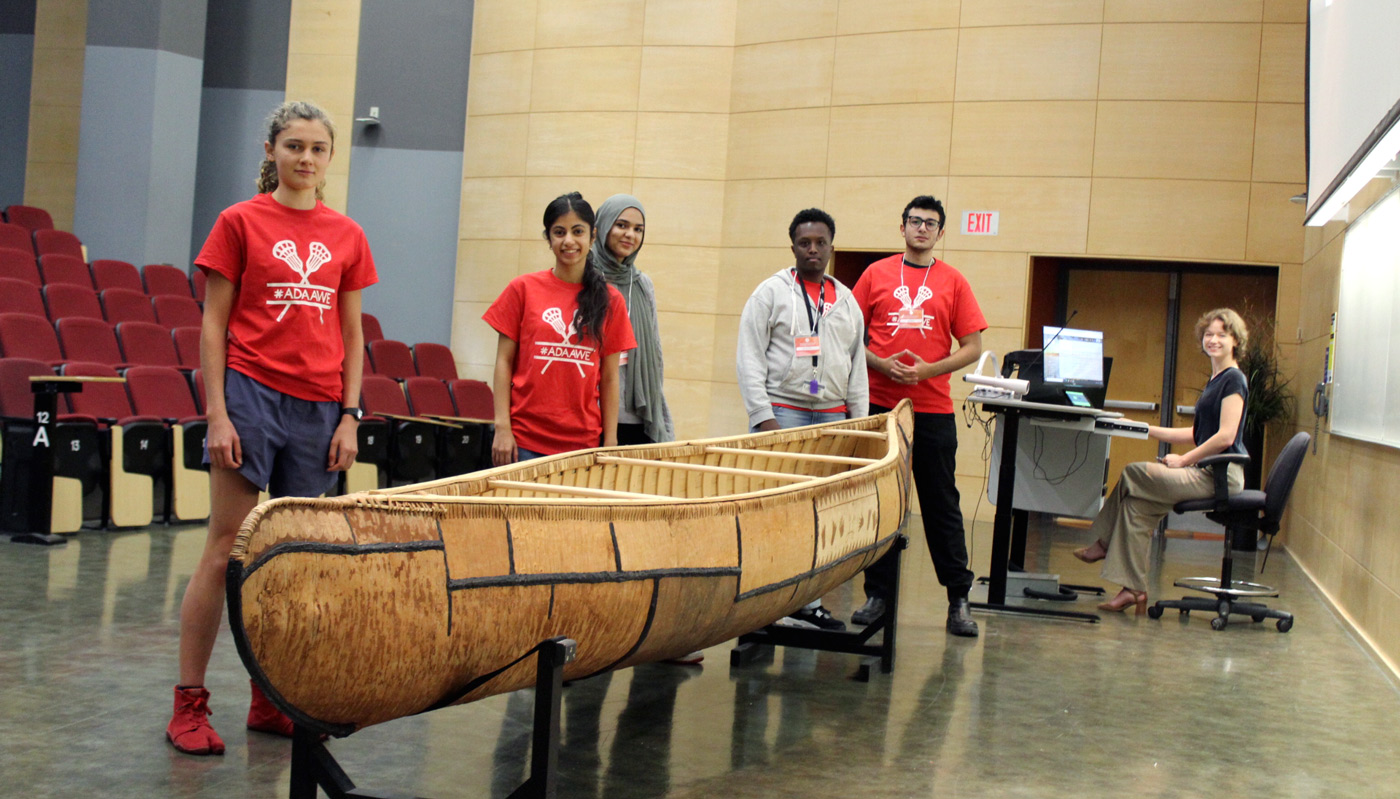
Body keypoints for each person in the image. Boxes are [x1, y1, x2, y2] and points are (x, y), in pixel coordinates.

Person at [168, 101, 378, 755]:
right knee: (224, 543)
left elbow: (351, 332)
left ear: (330, 157)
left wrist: (350, 414)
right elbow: (213, 324)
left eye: (317, 148)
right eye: (294, 145)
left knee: (286, 561)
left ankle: (270, 695)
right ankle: (189, 704)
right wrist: (219, 411)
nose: (305, 158)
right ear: (271, 150)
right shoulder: (239, 222)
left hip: (319, 407)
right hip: (251, 395)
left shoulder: (347, 233)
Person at [851, 196, 985, 637]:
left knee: (942, 505)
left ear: (941, 233)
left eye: (931, 224)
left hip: (932, 410)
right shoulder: (876, 274)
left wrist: (928, 369)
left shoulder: (953, 280)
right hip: (881, 409)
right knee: (885, 504)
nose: (922, 229)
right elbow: (849, 335)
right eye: (915, 221)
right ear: (902, 226)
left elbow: (972, 347)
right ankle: (878, 595)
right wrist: (879, 363)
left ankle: (958, 599)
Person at [736, 208, 868, 632]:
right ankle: (762, 606)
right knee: (776, 513)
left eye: (821, 243)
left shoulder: (846, 300)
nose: (813, 250)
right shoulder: (770, 293)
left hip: (830, 419)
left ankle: (808, 605)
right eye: (804, 243)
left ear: (832, 246)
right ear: (792, 245)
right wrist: (763, 418)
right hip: (784, 412)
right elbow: (749, 358)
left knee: (820, 516)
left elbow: (857, 367)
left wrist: (858, 425)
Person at [1072, 309, 1250, 613]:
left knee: (1132, 473)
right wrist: (1141, 427)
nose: (1214, 340)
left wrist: (1184, 462)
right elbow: (1196, 433)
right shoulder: (1216, 378)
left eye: (1222, 334)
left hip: (1220, 476)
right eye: (1209, 334)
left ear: (1235, 340)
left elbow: (1224, 437)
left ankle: (1102, 543)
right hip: (1206, 471)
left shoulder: (1234, 379)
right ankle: (1134, 590)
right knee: (1135, 508)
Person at [485, 192, 636, 465]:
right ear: (548, 238)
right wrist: (502, 428)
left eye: (577, 231)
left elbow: (611, 377)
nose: (568, 241)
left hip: (582, 446)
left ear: (592, 237)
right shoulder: (522, 289)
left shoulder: (611, 301)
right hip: (523, 442)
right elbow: (503, 361)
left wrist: (611, 441)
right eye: (559, 232)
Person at [590, 194, 674, 446]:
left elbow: (655, 352)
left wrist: (659, 414)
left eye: (638, 230)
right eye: (622, 225)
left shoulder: (641, 284)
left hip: (636, 411)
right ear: (603, 226)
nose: (630, 235)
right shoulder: (584, 277)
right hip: (590, 411)